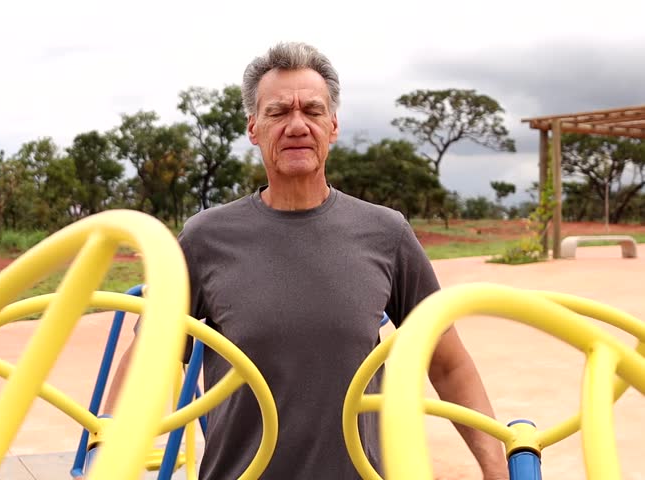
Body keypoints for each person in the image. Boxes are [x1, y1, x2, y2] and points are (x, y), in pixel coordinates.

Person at [77, 41, 508, 479]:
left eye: (313, 111)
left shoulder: (386, 233)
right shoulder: (206, 238)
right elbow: (148, 358)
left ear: (333, 125)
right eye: (278, 112)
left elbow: (448, 362)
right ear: (253, 127)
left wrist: (496, 466)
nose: (297, 125)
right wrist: (105, 455)